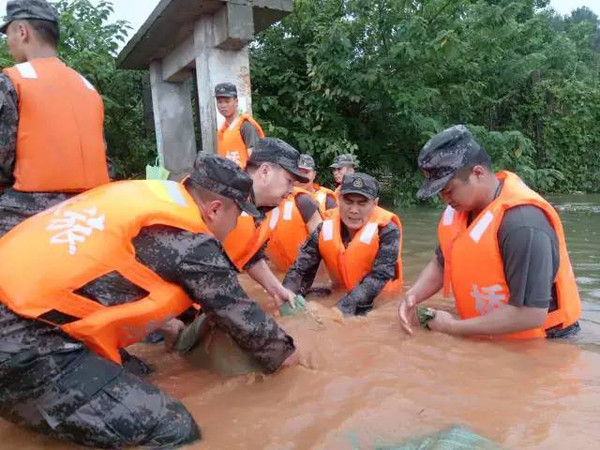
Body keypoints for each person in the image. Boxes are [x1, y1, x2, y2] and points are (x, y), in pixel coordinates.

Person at [0, 155, 298, 448]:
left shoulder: (151, 194)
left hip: (23, 312)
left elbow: (105, 276)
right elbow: (248, 324)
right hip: (21, 342)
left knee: (145, 374)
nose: (235, 226)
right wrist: (295, 367)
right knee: (174, 427)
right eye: (237, 215)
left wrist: (163, 323)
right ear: (215, 209)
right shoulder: (192, 241)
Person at [398, 125, 581, 339]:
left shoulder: (522, 224)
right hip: (487, 333)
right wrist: (413, 296)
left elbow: (530, 314)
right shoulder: (461, 211)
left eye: (448, 190)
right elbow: (442, 261)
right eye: (440, 193)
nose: (444, 200)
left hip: (545, 343)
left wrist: (452, 327)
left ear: (478, 173)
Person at [0, 0, 110, 238]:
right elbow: (104, 157)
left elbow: (2, 158)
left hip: (30, 212)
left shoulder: (10, 81)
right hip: (96, 209)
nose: (7, 43)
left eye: (7, 33)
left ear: (22, 31)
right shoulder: (87, 86)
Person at [284, 172, 403, 316]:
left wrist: (338, 311)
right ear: (339, 199)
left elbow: (379, 276)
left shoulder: (387, 230)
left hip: (377, 302)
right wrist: (286, 295)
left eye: (362, 203)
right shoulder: (325, 227)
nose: (353, 210)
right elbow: (301, 269)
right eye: (348, 201)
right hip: (340, 294)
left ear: (375, 204)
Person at [223, 137, 312, 306]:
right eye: (289, 181)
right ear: (265, 171)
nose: (291, 191)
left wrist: (277, 290)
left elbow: (248, 254)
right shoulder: (223, 199)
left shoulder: (253, 207)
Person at [215, 82, 265, 168]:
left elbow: (257, 162)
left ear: (236, 101)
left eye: (227, 101)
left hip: (246, 179)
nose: (223, 105)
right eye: (219, 102)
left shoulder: (245, 126)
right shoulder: (222, 131)